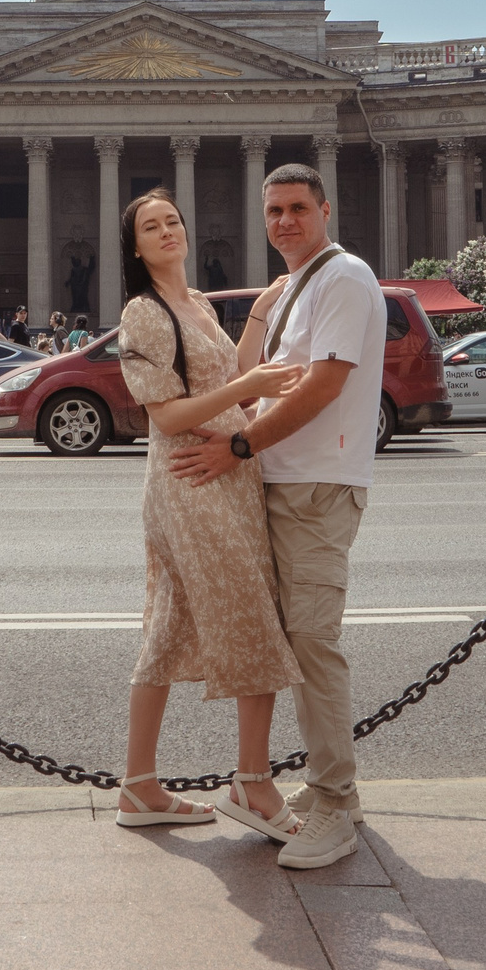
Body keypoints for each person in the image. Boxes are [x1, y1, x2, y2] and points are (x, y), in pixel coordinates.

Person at [173, 162, 384, 870]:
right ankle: (331, 794)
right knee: (296, 638)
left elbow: (324, 385)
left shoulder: (346, 277)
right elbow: (251, 369)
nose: (285, 221)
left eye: (298, 207)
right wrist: (267, 305)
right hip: (285, 481)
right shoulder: (302, 283)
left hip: (318, 484)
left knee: (314, 642)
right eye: (274, 212)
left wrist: (238, 444)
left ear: (327, 208)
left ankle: (334, 802)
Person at [110, 188, 303, 840]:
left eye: (173, 220)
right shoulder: (143, 311)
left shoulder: (194, 304)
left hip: (228, 472)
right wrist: (249, 390)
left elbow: (232, 370)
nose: (167, 230)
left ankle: (138, 785)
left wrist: (260, 313)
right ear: (135, 246)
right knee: (253, 618)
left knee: (167, 631)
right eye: (151, 226)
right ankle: (252, 783)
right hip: (188, 478)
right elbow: (165, 414)